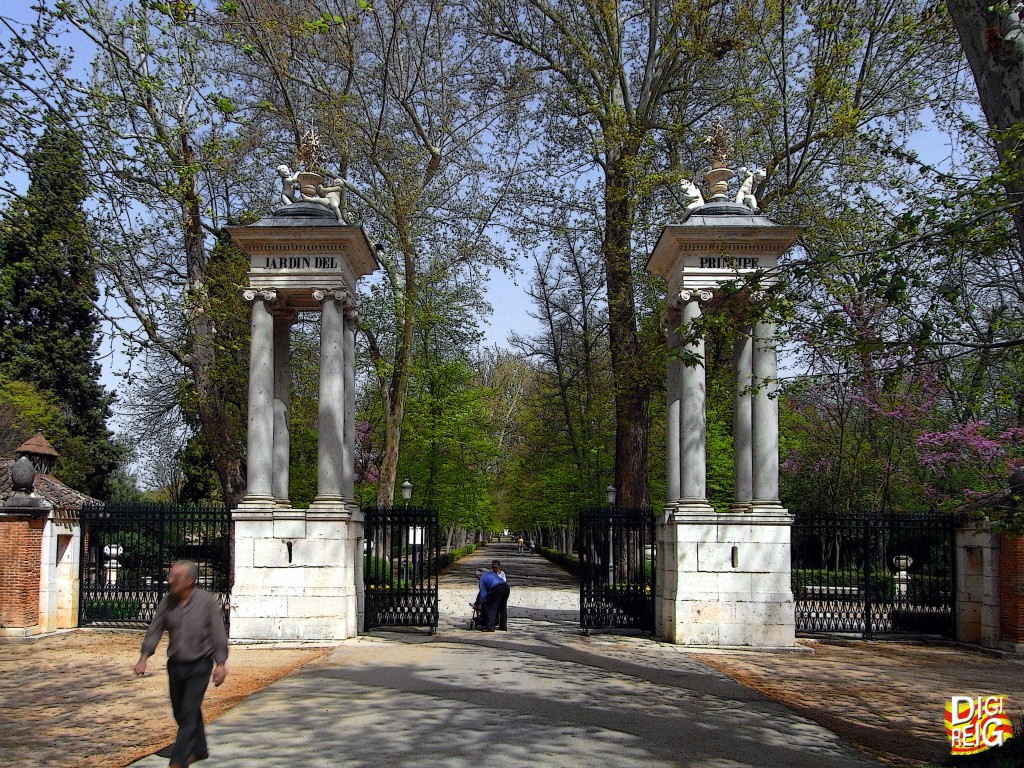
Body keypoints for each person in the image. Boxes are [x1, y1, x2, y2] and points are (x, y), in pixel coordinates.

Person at [134, 560, 229, 768]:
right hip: (176, 665)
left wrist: (220, 663)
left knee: (188, 711)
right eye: (170, 576)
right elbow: (155, 629)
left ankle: (178, 761)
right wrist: (144, 657)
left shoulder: (206, 602)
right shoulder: (167, 601)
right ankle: (200, 749)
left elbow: (218, 633)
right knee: (182, 711)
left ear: (190, 580)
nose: (169, 581)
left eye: (175, 577)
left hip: (200, 665)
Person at [473, 567, 510, 632]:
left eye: (477, 577)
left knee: (491, 607)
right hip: (506, 587)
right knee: (502, 607)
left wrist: (480, 604)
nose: (478, 579)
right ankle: (503, 626)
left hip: (497, 588)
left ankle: (490, 627)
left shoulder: (483, 577)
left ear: (480, 574)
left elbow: (483, 593)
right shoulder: (491, 574)